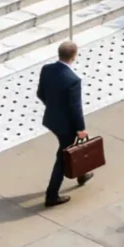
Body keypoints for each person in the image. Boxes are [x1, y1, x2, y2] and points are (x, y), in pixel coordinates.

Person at [36, 41, 90, 208]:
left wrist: (53, 108)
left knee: (71, 148)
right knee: (63, 158)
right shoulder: (73, 80)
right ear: (74, 56)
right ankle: (51, 195)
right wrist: (80, 128)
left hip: (52, 120)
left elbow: (40, 93)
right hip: (66, 126)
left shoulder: (47, 69)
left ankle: (81, 174)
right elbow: (76, 108)